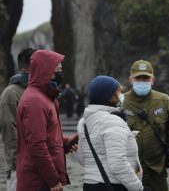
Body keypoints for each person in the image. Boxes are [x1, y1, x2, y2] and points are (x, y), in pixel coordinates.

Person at [16, 50, 78, 191]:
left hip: (42, 180)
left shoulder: (45, 97)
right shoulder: (35, 100)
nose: (60, 73)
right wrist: (53, 181)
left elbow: (47, 135)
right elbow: (37, 145)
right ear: (45, 71)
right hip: (38, 182)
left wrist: (65, 143)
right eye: (57, 70)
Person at [76, 75, 148, 191]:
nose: (122, 96)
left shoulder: (84, 122)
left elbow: (82, 159)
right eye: (119, 92)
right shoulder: (112, 121)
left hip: (90, 184)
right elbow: (118, 164)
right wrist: (139, 188)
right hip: (112, 185)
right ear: (110, 97)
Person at [122, 60, 169, 191]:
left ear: (153, 80)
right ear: (130, 80)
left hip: (156, 169)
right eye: (138, 78)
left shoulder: (164, 101)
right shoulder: (120, 102)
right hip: (126, 170)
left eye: (146, 78)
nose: (142, 81)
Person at [0, 48, 36, 191]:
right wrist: (17, 163)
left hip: (40, 164)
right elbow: (10, 130)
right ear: (24, 68)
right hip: (20, 167)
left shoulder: (42, 90)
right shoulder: (11, 93)